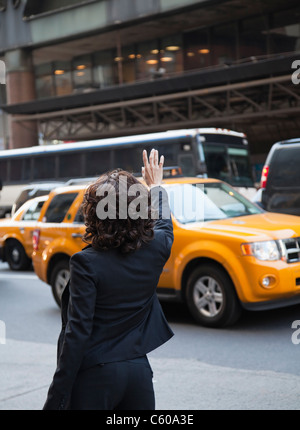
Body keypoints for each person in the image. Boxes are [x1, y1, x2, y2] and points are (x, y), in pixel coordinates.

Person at [43, 149, 174, 410]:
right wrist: (156, 186)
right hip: (139, 375)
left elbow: (76, 335)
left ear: (94, 214)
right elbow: (164, 225)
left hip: (95, 379)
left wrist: (56, 398)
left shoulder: (86, 263)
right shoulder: (157, 248)